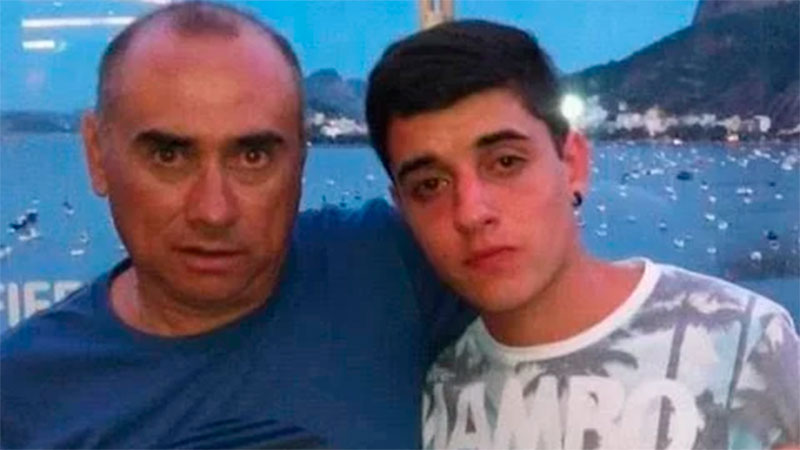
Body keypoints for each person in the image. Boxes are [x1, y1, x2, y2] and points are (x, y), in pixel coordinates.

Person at [0, 2, 470, 447]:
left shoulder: (390, 266)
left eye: (253, 157)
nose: (213, 211)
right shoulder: (21, 395)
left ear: (301, 160)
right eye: (169, 156)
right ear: (97, 155)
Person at [366, 19, 800, 450]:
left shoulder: (741, 342)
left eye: (505, 162)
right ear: (402, 208)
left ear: (572, 164)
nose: (471, 212)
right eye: (430, 185)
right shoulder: (436, 391)